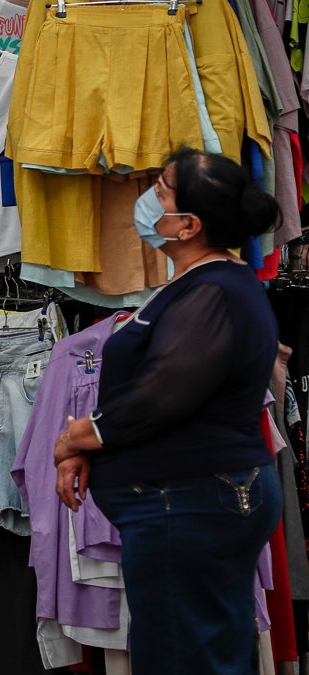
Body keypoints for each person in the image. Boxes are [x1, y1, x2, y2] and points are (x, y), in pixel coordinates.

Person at [54, 149, 282, 674]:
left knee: (186, 655)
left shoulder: (217, 291)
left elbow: (165, 394)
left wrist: (79, 437)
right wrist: (95, 444)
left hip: (193, 500)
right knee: (199, 650)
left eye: (160, 190)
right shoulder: (197, 284)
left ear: (187, 225)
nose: (147, 197)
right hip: (189, 498)